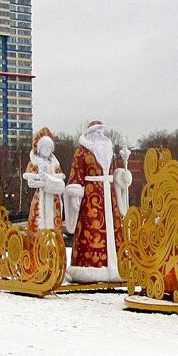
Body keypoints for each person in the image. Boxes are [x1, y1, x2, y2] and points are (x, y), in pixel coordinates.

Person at [63, 120, 133, 282]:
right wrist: (75, 193)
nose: (100, 135)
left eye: (102, 132)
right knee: (92, 228)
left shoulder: (108, 150)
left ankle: (116, 266)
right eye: (97, 132)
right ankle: (89, 267)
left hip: (109, 195)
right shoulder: (81, 152)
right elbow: (76, 174)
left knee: (113, 229)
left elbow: (114, 173)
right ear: (90, 134)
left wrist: (122, 176)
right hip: (91, 196)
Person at [23, 127, 65, 234]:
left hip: (54, 199)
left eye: (49, 147)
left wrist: (46, 181)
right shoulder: (34, 163)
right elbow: (31, 183)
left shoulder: (55, 164)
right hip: (40, 198)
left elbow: (60, 182)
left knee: (54, 223)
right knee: (38, 222)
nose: (47, 150)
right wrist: (43, 182)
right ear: (39, 148)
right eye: (44, 147)